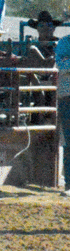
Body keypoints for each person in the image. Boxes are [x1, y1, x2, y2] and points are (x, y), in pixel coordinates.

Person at [55, 34, 70, 195]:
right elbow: (61, 64)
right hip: (67, 96)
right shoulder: (64, 42)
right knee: (69, 140)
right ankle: (69, 184)